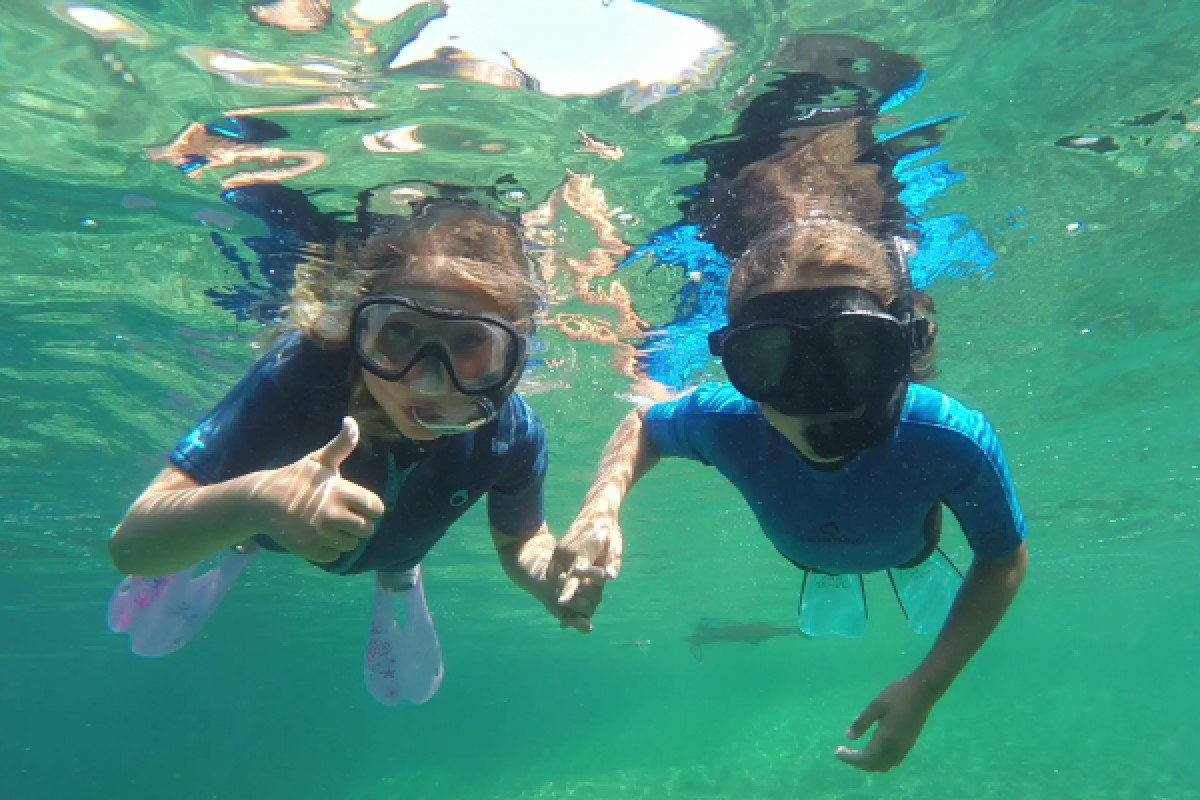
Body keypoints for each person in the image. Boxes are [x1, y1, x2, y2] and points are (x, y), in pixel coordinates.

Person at [550, 36, 1028, 772]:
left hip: (915, 550)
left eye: (854, 354)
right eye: (773, 361)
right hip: (835, 547)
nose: (818, 400)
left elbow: (1000, 559)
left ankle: (882, 574)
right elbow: (644, 418)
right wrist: (599, 507)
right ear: (736, 365)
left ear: (906, 348)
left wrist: (927, 687)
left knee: (898, 563)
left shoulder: (950, 439)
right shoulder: (726, 421)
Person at [108, 199, 597, 705]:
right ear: (359, 332)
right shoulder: (302, 375)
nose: (425, 381)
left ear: (512, 362)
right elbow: (130, 546)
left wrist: (547, 575)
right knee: (248, 531)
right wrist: (253, 501)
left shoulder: (512, 433)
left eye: (470, 342)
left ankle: (398, 574)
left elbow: (522, 540)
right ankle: (243, 542)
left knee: (397, 558)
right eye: (399, 334)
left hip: (396, 551)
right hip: (265, 527)